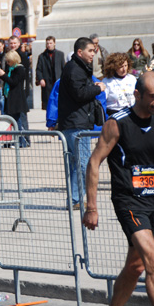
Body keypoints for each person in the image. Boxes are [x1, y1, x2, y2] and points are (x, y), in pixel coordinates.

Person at [83, 71, 154, 306]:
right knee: (153, 262)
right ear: (137, 94)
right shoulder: (117, 124)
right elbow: (94, 162)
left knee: (136, 265)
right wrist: (92, 206)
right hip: (130, 202)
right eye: (152, 96)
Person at [58, 37, 106, 210]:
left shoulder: (77, 68)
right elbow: (80, 94)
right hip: (76, 123)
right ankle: (75, 200)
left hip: (75, 121)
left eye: (94, 51)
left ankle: (74, 198)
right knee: (82, 163)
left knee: (76, 163)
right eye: (91, 51)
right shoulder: (75, 69)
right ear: (80, 52)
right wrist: (98, 88)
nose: (94, 54)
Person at [0, 50, 30, 147]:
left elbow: (13, 82)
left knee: (17, 121)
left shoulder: (20, 69)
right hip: (10, 98)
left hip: (17, 99)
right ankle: (12, 141)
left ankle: (21, 142)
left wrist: (3, 75)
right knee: (12, 121)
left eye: (9, 61)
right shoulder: (11, 68)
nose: (7, 63)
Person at [35, 36, 66, 110]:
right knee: (49, 105)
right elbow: (38, 70)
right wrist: (41, 79)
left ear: (54, 43)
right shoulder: (42, 56)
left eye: (51, 43)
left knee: (59, 103)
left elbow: (63, 68)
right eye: (47, 43)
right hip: (47, 84)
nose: (49, 45)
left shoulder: (60, 54)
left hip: (58, 82)